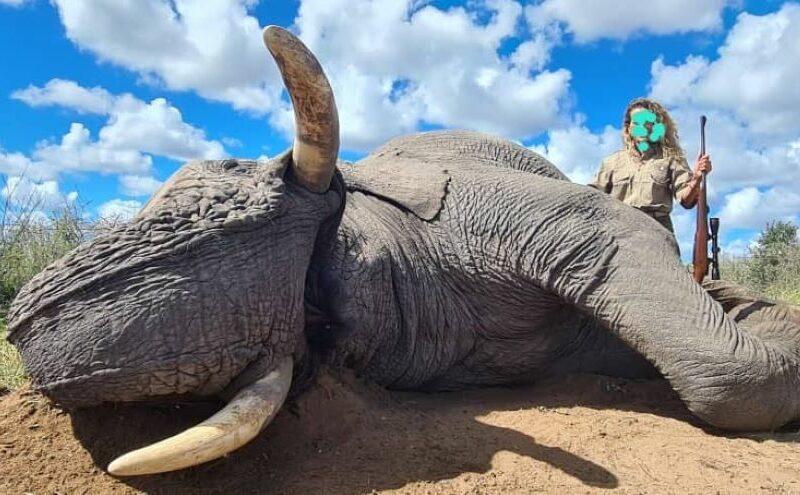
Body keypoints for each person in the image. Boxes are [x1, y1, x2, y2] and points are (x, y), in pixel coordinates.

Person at [590, 97, 712, 234]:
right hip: (618, 229)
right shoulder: (611, 162)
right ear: (628, 128)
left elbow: (687, 202)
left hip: (657, 229)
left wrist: (696, 178)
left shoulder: (671, 159)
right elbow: (592, 197)